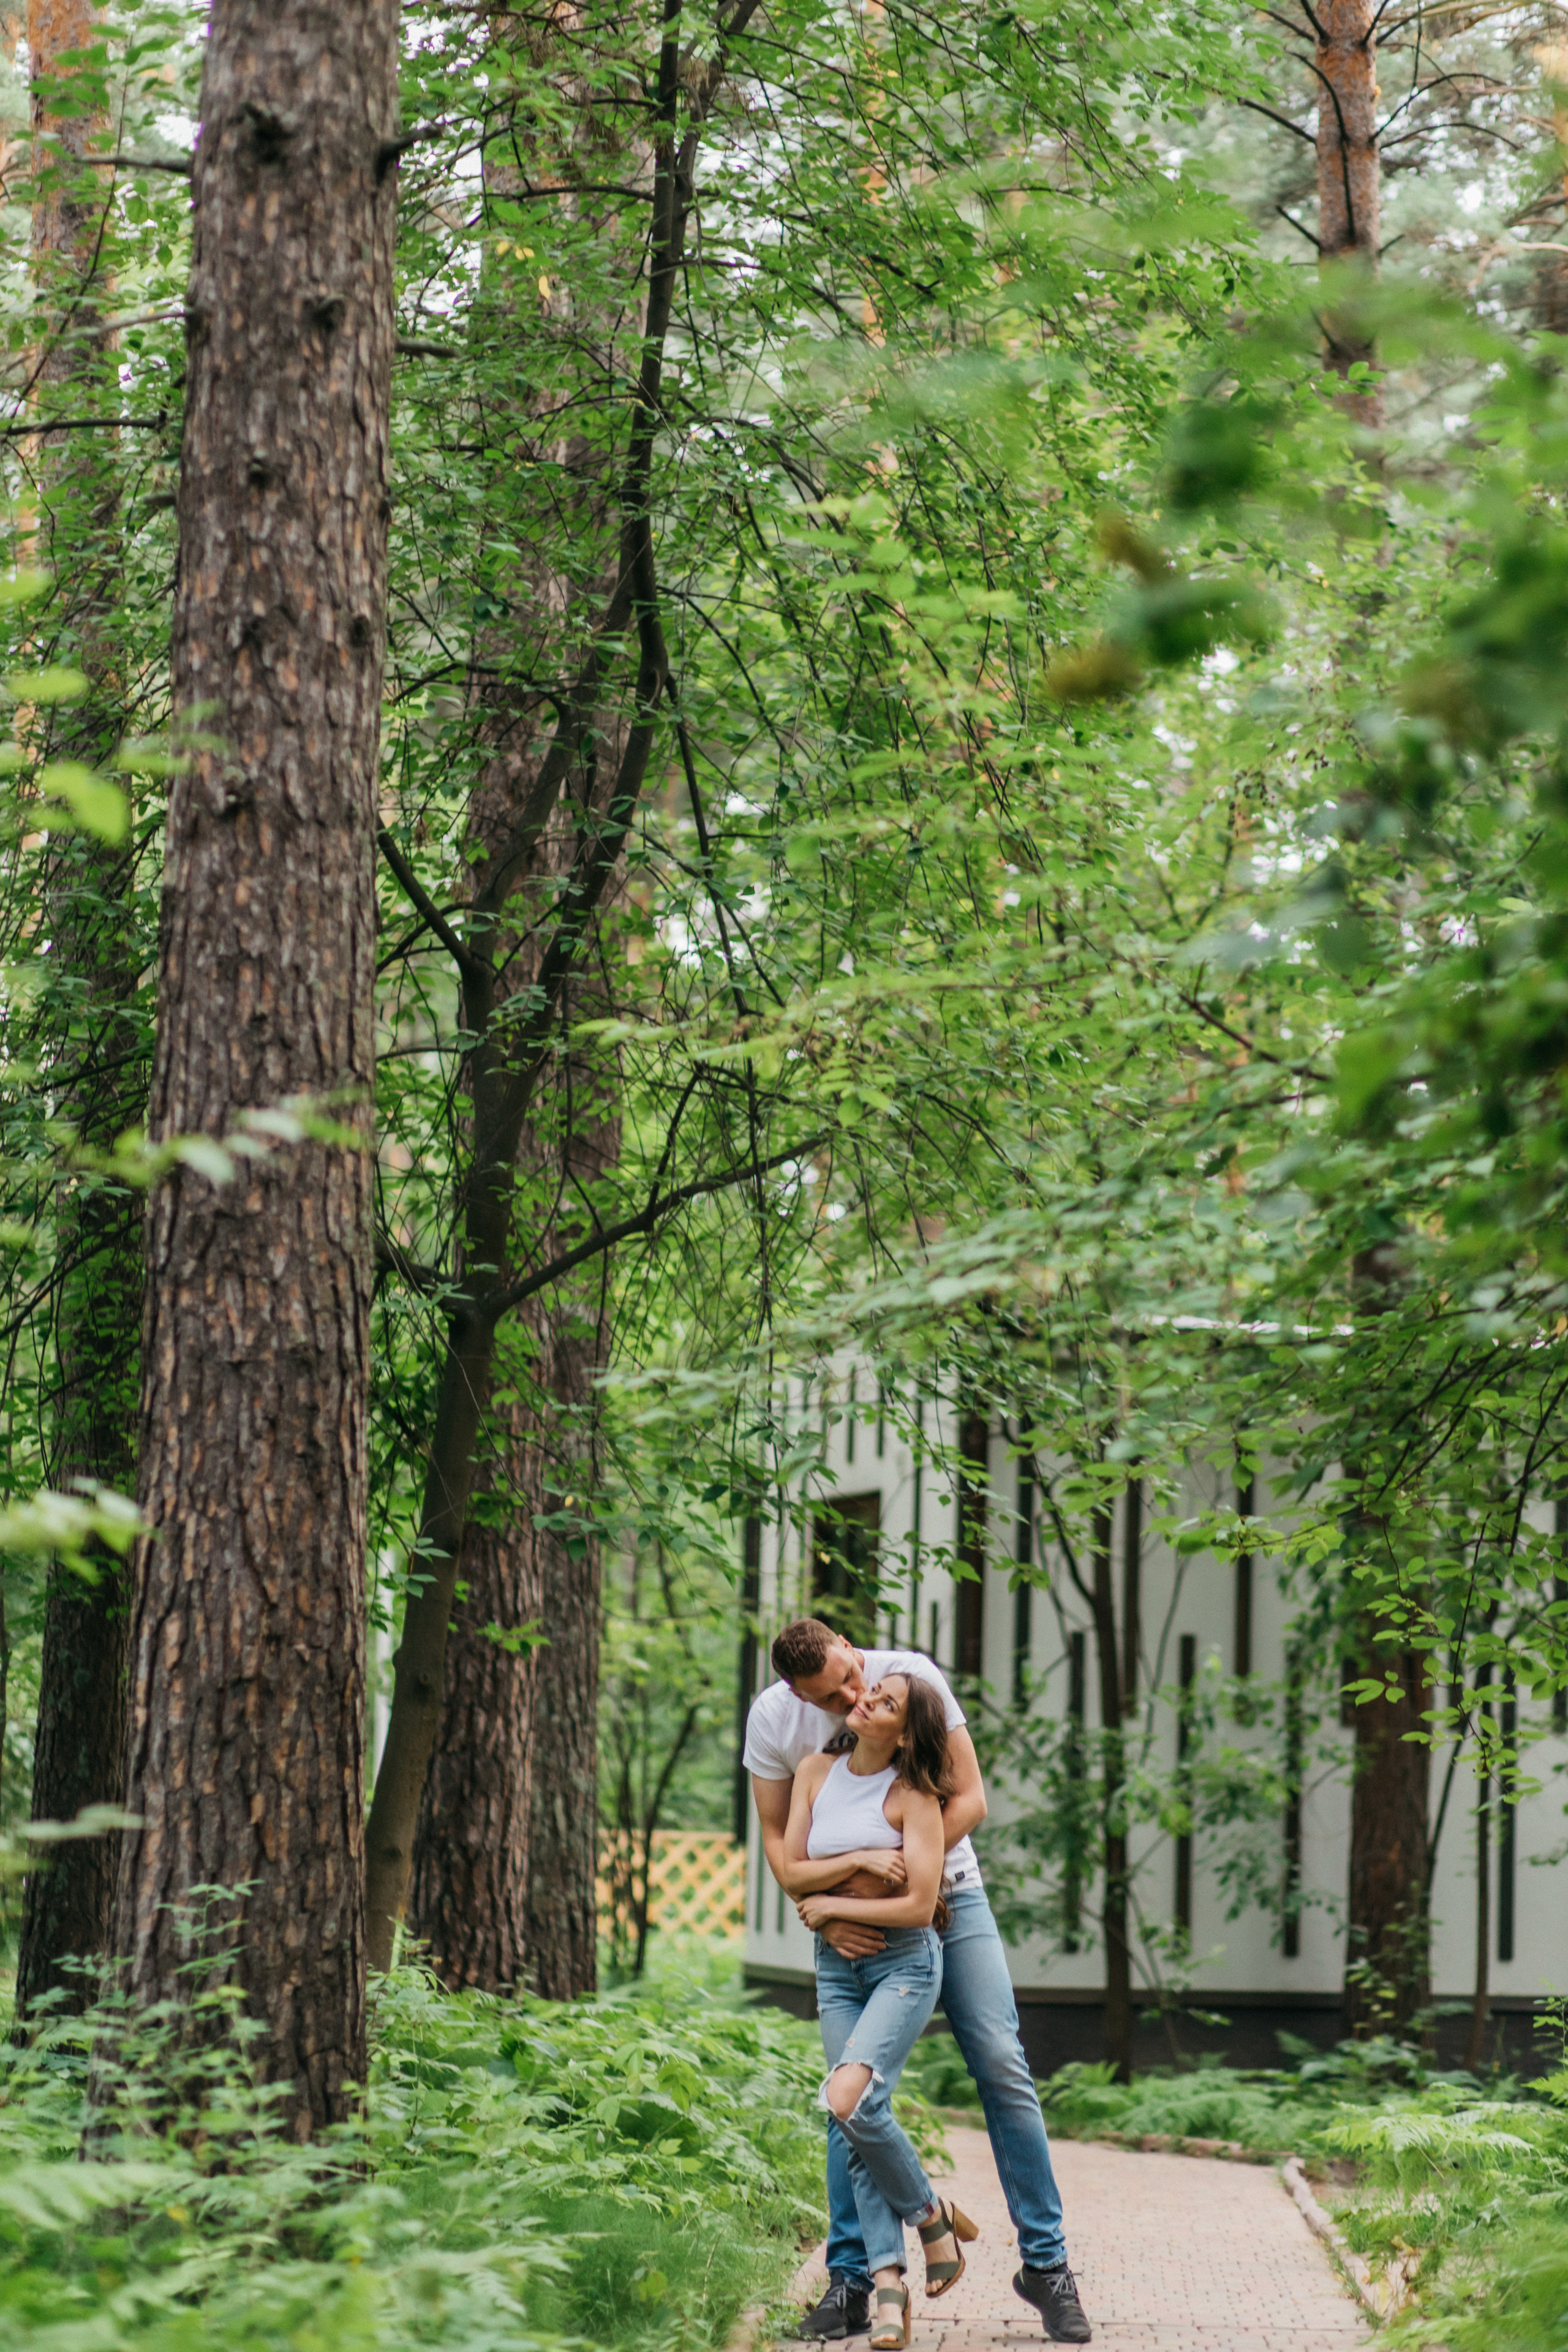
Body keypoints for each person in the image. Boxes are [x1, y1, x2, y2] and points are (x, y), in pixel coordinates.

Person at [747, 1619, 1092, 2346]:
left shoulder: (911, 1675)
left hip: (947, 1899)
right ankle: (853, 2279)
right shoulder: (775, 1719)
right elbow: (780, 1839)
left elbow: (968, 1799)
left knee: (1001, 2062)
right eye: (830, 1696)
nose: (850, 1696)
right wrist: (830, 1911)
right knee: (846, 2091)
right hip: (846, 1911)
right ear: (793, 1692)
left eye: (851, 1677)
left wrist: (897, 1869)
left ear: (847, 1641)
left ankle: (1046, 2264)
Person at [777, 1672, 980, 2350]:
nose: (864, 1700)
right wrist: (856, 1868)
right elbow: (793, 1870)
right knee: (850, 2116)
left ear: (905, 1733)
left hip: (904, 1964)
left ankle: (927, 2218)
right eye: (872, 1694)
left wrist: (833, 1907)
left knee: (852, 2101)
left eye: (886, 1703)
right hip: (836, 1971)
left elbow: (918, 1906)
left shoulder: (914, 1796)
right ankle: (893, 2282)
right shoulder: (815, 1770)